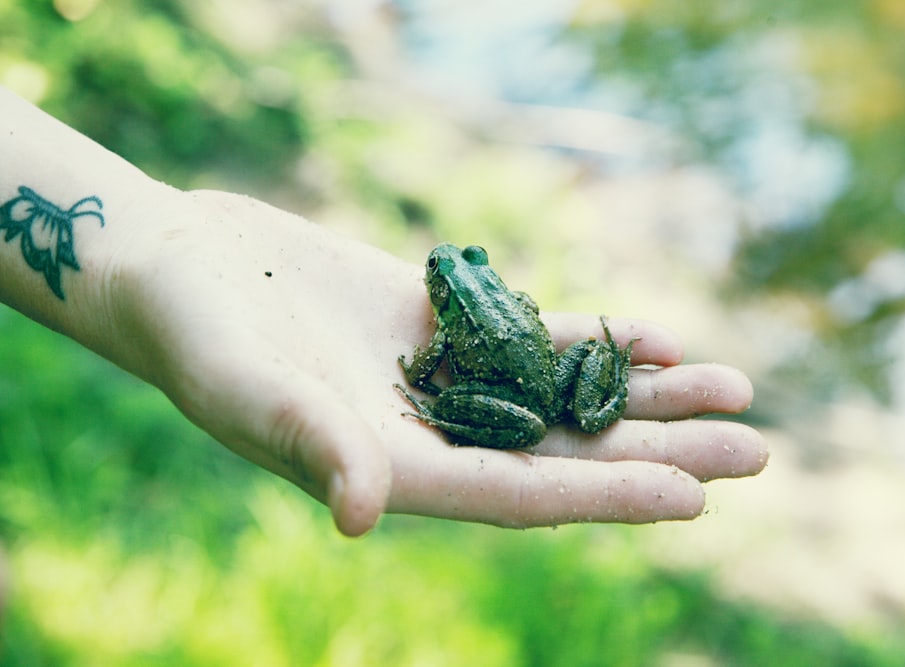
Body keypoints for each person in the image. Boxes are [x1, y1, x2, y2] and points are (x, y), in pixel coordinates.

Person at [0, 84, 767, 546]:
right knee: (580, 378)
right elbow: (514, 320)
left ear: (451, 288)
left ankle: (488, 407)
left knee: (493, 406)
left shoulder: (442, 332)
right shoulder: (486, 308)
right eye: (447, 268)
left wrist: (420, 386)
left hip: (514, 383)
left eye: (452, 265)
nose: (445, 266)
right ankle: (591, 377)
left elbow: (423, 365)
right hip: (550, 375)